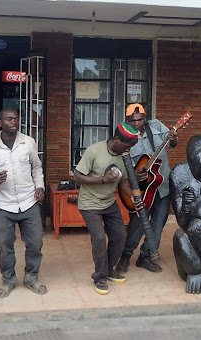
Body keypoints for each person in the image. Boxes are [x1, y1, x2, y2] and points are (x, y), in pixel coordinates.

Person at [0, 108, 47, 298]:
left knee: (35, 243)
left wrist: (40, 187)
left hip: (29, 201)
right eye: (9, 119)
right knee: (4, 245)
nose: (13, 122)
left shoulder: (28, 142)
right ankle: (8, 280)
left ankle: (31, 277)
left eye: (16, 119)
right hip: (4, 205)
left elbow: (37, 168)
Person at [74, 122, 142, 295]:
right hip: (90, 203)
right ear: (117, 139)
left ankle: (110, 269)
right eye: (126, 146)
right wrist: (102, 179)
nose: (128, 150)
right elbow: (77, 176)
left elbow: (124, 181)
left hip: (109, 202)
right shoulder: (94, 151)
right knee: (98, 238)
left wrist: (132, 195)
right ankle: (100, 277)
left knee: (120, 235)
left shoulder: (123, 156)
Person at [116, 103, 178, 274]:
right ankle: (125, 257)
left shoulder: (156, 126)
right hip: (140, 190)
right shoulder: (125, 135)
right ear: (127, 120)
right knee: (136, 226)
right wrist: (133, 175)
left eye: (140, 119)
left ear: (145, 117)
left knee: (157, 226)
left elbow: (173, 143)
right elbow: (120, 163)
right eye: (133, 120)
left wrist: (173, 138)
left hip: (162, 187)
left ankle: (145, 257)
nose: (137, 123)